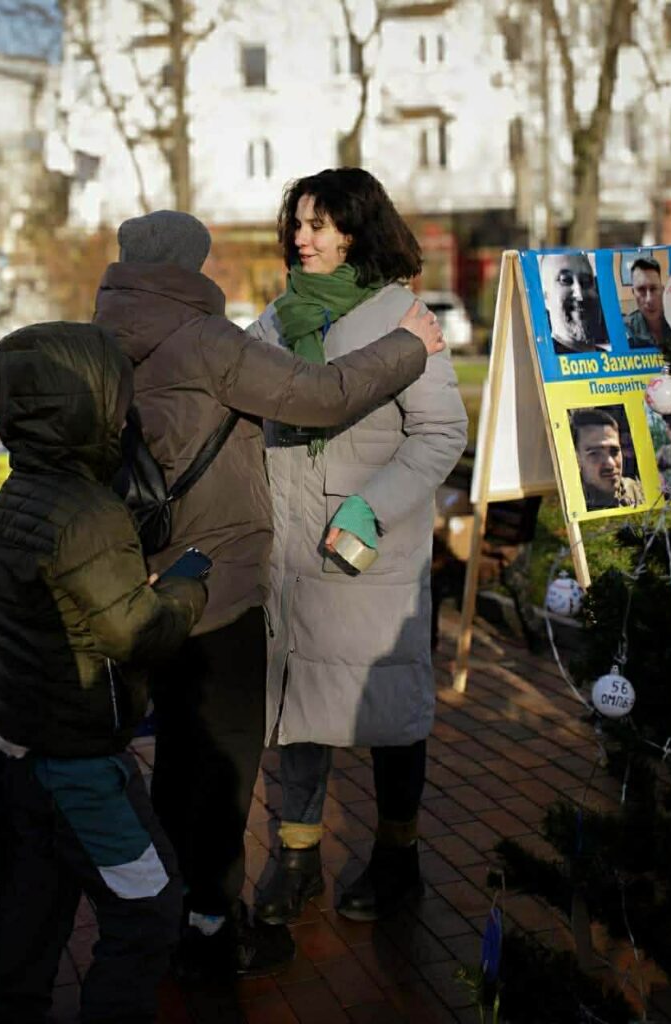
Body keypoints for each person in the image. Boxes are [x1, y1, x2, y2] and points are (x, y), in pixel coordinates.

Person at [91, 209, 446, 981]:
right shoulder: (208, 338)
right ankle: (213, 928)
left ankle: (176, 906)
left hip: (143, 577)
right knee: (216, 769)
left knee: (173, 760)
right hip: (218, 585)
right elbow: (320, 396)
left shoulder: (98, 335)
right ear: (194, 261)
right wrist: (411, 345)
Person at [249, 167, 468, 926]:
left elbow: (442, 432)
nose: (303, 238)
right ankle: (297, 857)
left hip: (368, 549)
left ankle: (398, 857)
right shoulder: (275, 322)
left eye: (320, 224)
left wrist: (372, 509)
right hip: (289, 551)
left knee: (388, 710)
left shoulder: (401, 317)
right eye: (298, 225)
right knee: (297, 707)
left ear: (356, 229)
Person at [0, 322, 209, 1023]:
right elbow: (137, 634)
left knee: (32, 919)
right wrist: (188, 585)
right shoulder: (87, 512)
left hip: (16, 750)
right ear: (83, 407)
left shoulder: (15, 496)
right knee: (148, 910)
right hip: (78, 769)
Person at [571, 407, 644, 511]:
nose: (611, 464)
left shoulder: (637, 491)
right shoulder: (571, 502)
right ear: (577, 458)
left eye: (614, 451)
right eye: (595, 454)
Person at [539, 251, 609, 354]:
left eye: (586, 281)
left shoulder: (611, 358)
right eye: (565, 280)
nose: (579, 294)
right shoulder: (543, 362)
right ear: (545, 297)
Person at [624, 257, 671, 350]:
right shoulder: (626, 329)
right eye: (641, 290)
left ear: (662, 289)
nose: (649, 300)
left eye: (653, 289)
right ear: (633, 292)